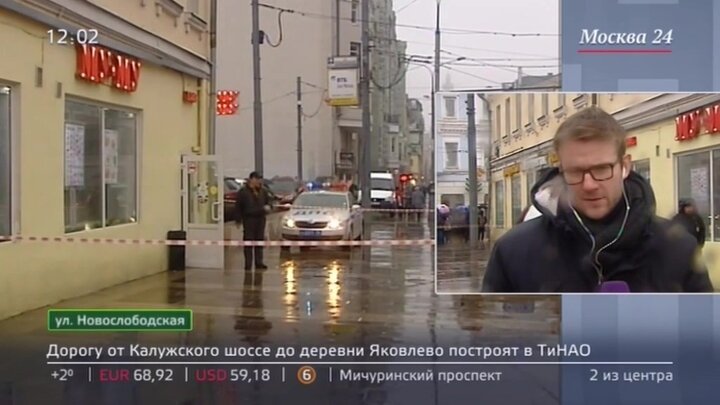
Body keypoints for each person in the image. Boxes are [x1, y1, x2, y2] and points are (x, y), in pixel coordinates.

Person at [483, 106, 713, 293]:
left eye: (602, 169)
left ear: (625, 167)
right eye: (575, 171)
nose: (589, 185)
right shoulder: (514, 251)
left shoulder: (677, 249)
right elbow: (495, 333)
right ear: (561, 171)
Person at [235, 171, 272, 271]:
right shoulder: (243, 192)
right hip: (249, 219)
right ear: (252, 179)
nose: (259, 181)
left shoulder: (263, 191)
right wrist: (238, 219)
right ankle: (248, 264)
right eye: (257, 179)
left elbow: (269, 202)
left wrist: (269, 207)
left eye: (260, 179)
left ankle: (259, 262)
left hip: (260, 219)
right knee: (248, 242)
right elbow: (238, 206)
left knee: (259, 241)